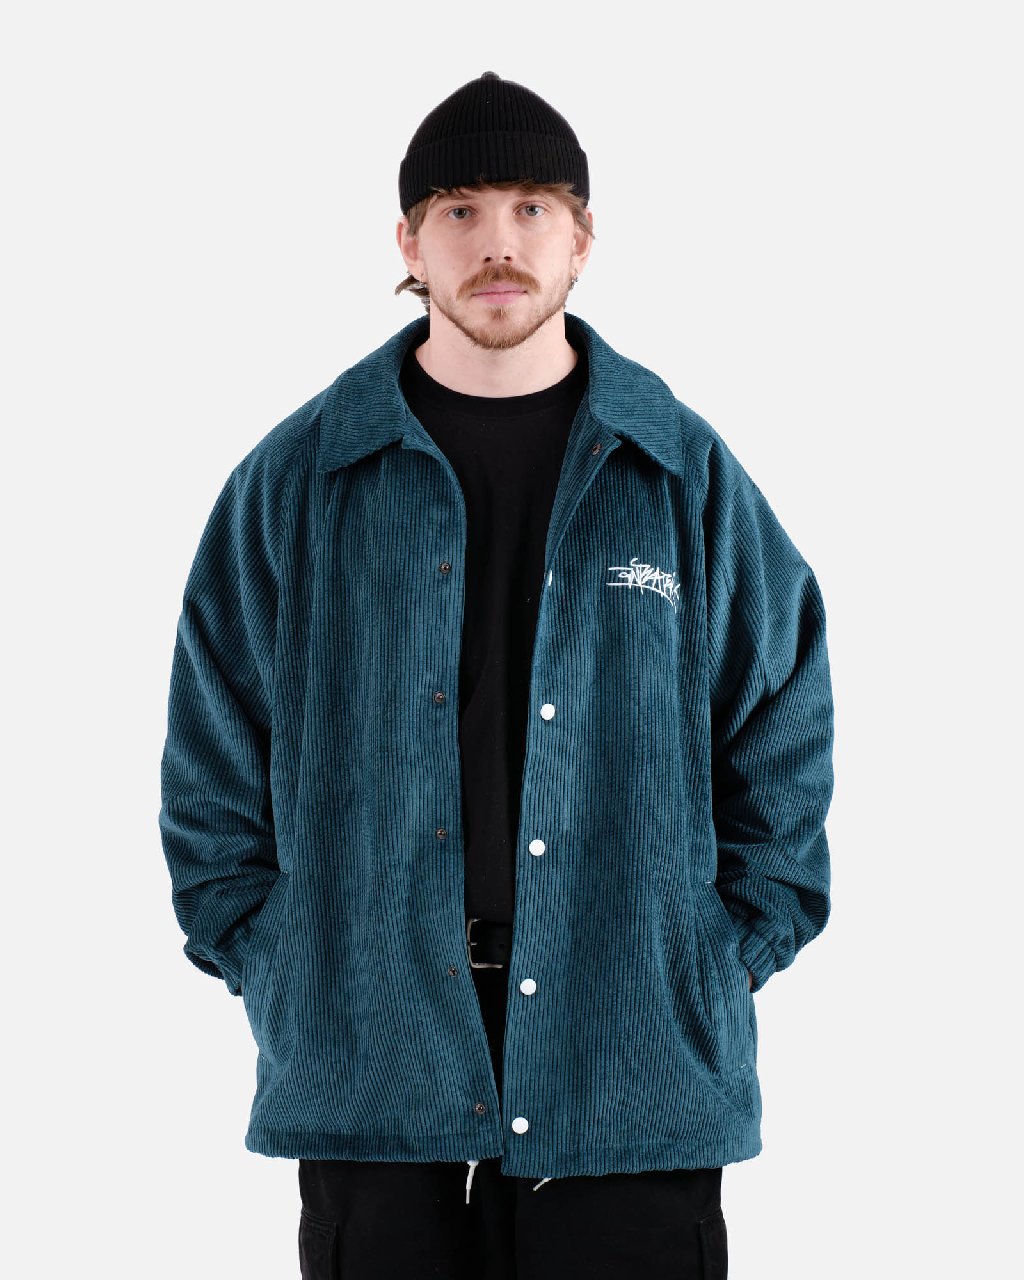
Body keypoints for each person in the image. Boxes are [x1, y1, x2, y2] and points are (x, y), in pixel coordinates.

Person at [158, 71, 835, 1280]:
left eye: (532, 207)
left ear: (583, 239)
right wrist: (278, 955)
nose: (497, 243)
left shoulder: (680, 474)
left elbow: (781, 709)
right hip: (371, 1060)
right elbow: (212, 748)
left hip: (633, 1068)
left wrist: (715, 951)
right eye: (460, 210)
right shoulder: (297, 480)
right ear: (408, 243)